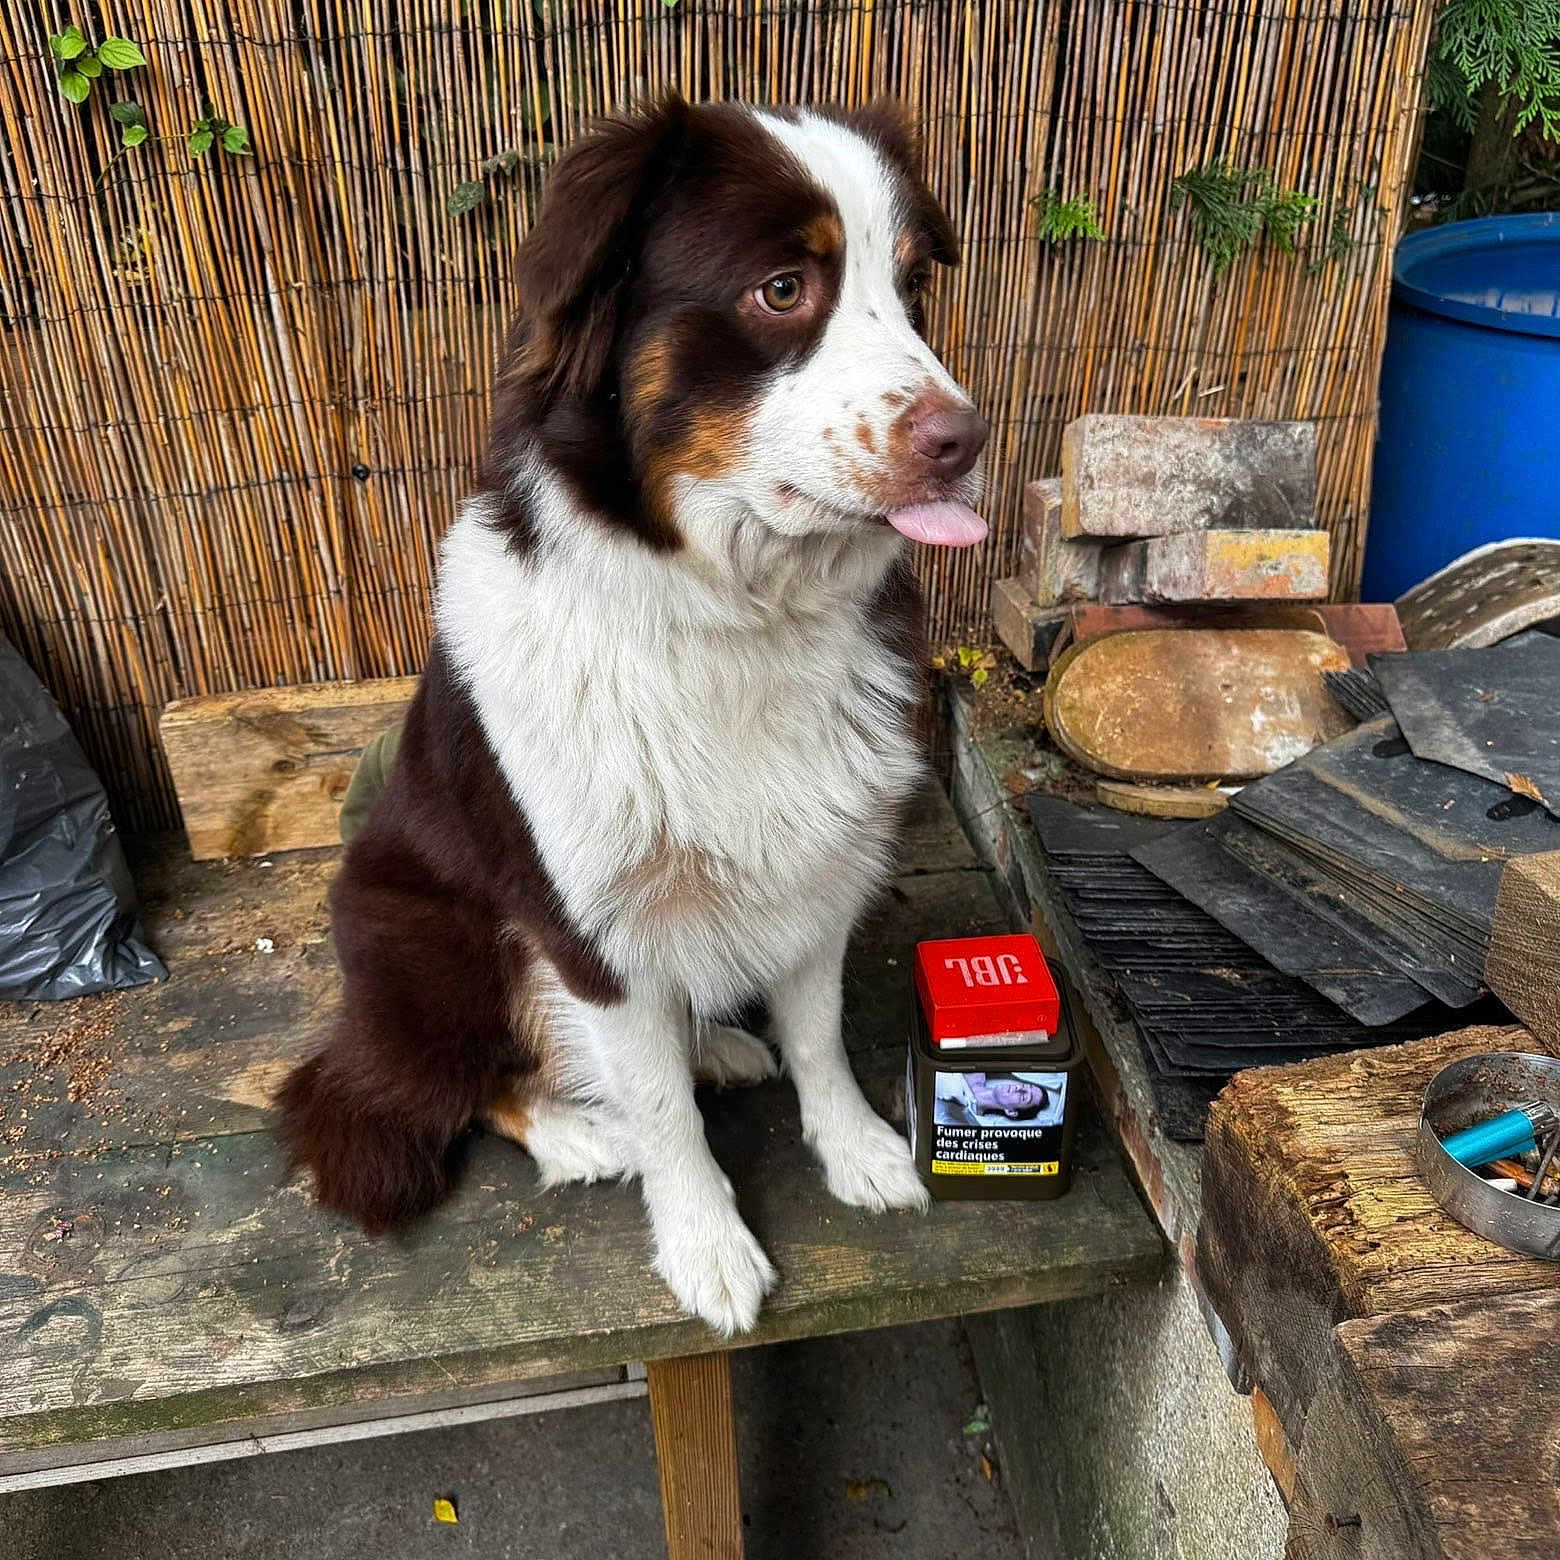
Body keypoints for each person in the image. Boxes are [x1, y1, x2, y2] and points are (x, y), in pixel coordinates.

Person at [933, 1072, 1051, 1126]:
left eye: (1024, 1097)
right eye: (1025, 1086)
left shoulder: (963, 1115)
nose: (1019, 1088)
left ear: (1011, 1111)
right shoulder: (977, 1072)